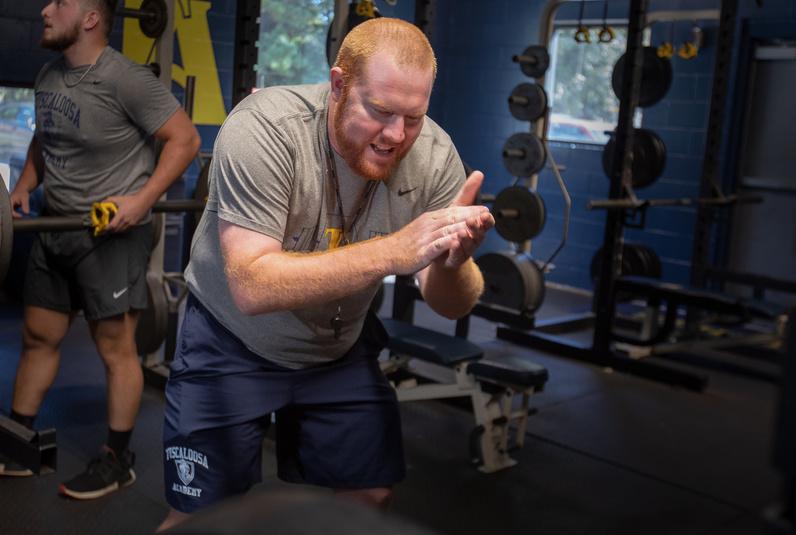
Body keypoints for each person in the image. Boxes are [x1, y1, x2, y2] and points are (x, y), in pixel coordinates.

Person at [158, 17, 493, 531]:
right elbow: (251, 284)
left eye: (413, 117)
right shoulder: (267, 129)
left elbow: (452, 304)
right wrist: (394, 251)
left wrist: (454, 263)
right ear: (338, 85)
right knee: (198, 518)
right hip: (231, 340)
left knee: (370, 492)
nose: (396, 136)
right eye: (380, 111)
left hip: (336, 347)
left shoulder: (433, 156)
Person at [0, 0, 200, 501]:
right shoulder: (48, 75)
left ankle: (117, 459)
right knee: (38, 335)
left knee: (115, 348)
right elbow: (44, 137)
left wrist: (142, 201)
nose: (46, 10)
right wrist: (24, 185)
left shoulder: (126, 79)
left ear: (90, 18)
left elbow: (185, 139)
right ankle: (18, 443)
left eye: (60, 3)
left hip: (110, 232)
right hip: (58, 226)